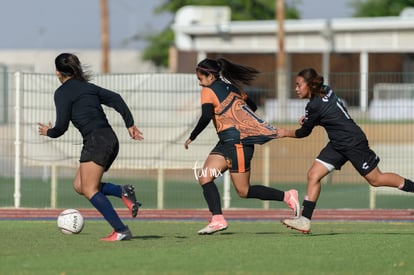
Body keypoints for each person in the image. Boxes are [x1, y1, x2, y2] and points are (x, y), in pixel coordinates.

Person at [277, 68, 414, 233]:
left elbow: (303, 133)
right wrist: (310, 119)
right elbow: (331, 114)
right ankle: (305, 220)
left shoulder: (313, 105)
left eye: (299, 85)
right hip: (337, 143)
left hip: (352, 141)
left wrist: (284, 133)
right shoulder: (325, 90)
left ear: (309, 85)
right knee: (313, 175)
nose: (296, 89)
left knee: (376, 179)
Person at [184, 58, 300, 235]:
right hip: (226, 142)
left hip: (237, 143)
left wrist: (192, 136)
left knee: (244, 191)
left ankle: (287, 196)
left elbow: (206, 116)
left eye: (200, 79)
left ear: (209, 76)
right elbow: (251, 106)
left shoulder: (208, 91)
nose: (200, 83)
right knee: (205, 177)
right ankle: (217, 219)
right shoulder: (233, 88)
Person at [38, 53, 144, 241]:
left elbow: (61, 127)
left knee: (89, 189)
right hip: (106, 139)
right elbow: (117, 99)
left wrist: (49, 132)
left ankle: (121, 230)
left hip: (97, 141)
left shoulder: (62, 93)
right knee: (80, 185)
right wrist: (130, 124)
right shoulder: (89, 88)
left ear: (57, 72)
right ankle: (122, 191)